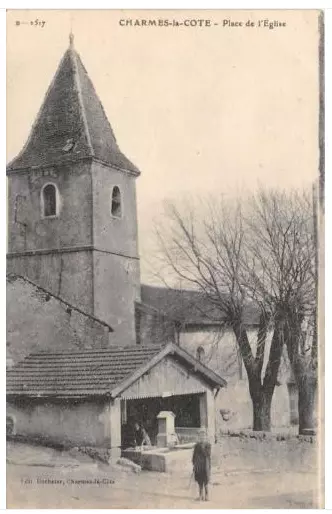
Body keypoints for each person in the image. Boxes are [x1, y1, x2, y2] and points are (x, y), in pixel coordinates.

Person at [192, 428, 211, 501]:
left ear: (206, 437)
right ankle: (200, 496)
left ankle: (206, 496)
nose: (202, 437)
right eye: (200, 436)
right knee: (200, 482)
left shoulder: (208, 445)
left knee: (205, 481)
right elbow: (194, 455)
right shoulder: (196, 445)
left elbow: (207, 454)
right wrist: (194, 463)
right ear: (199, 437)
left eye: (203, 436)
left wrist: (202, 447)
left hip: (205, 465)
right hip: (198, 466)